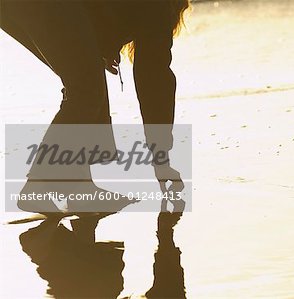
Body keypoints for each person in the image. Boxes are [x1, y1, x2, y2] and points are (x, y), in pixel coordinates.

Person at [0, 0, 189, 215]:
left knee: (87, 82)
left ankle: (80, 188)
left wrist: (101, 42)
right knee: (86, 87)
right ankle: (39, 185)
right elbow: (154, 80)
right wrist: (161, 157)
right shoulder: (159, 6)